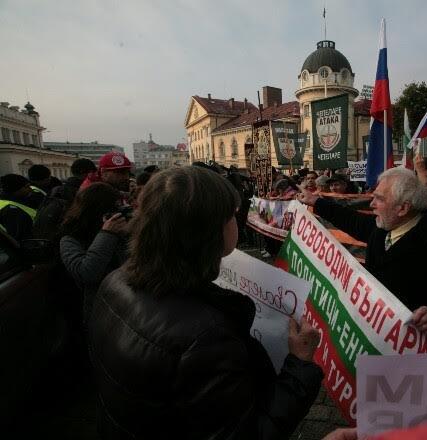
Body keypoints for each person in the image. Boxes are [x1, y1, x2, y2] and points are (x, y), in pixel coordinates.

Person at [88, 166, 323, 439]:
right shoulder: (207, 337)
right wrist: (301, 363)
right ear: (210, 230)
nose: (237, 221)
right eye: (232, 216)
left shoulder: (114, 281)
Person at [298, 167, 427, 333]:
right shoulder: (383, 227)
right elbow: (352, 220)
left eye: (379, 199)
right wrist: (315, 202)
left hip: (408, 350)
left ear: (403, 208)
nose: (372, 204)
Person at [60, 182, 129, 325]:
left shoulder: (122, 230)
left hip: (130, 303)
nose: (117, 213)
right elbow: (87, 273)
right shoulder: (70, 238)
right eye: (112, 209)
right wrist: (107, 234)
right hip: (101, 310)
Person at [33, 158, 98, 241]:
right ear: (87, 173)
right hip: (68, 241)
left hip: (49, 240)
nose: (95, 176)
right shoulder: (81, 192)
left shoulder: (56, 190)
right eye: (93, 173)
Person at [0, 174, 35, 241]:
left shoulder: (4, 203)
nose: (30, 189)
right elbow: (22, 239)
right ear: (16, 189)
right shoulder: (12, 211)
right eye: (26, 187)